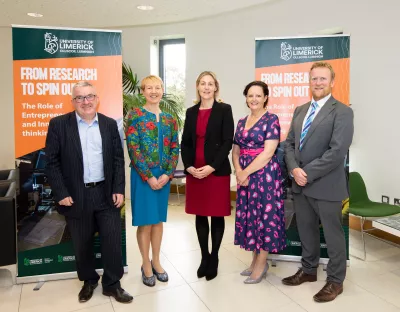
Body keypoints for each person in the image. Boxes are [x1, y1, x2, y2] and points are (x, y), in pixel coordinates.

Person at [45, 81, 133, 303]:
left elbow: (117, 160)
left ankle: (112, 284)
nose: (85, 102)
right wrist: (61, 192)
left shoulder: (110, 124)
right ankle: (89, 281)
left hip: (105, 193)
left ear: (97, 98)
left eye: (89, 96)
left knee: (112, 242)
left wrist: (118, 189)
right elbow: (52, 162)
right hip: (75, 195)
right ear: (73, 101)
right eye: (80, 98)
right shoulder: (58, 125)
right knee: (81, 244)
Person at [282, 61, 354, 303]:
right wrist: (293, 168)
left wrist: (306, 172)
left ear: (332, 82)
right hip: (300, 185)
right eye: (314, 79)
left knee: (333, 236)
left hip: (326, 185)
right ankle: (309, 270)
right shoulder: (300, 110)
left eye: (323, 79)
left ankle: (335, 280)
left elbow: (337, 151)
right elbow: (289, 143)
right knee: (306, 230)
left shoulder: (343, 111)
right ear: (309, 81)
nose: (318, 83)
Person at [125, 75, 179, 287]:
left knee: (157, 221)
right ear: (142, 91)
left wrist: (167, 174)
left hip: (164, 176)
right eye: (149, 88)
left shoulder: (170, 119)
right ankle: (145, 263)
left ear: (162, 90)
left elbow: (175, 147)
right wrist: (148, 177)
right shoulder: (136, 115)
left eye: (157, 87)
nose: (154, 91)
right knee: (145, 222)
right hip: (142, 176)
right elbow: (133, 148)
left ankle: (157, 261)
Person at [181, 71, 234, 281]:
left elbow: (228, 141)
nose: (206, 87)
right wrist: (188, 166)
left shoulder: (224, 109)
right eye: (203, 83)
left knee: (217, 214)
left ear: (216, 87)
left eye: (210, 84)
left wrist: (212, 166)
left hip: (216, 171)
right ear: (197, 86)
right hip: (195, 172)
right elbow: (185, 142)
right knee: (200, 215)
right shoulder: (191, 112)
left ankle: (215, 258)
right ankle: (204, 257)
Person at [232, 80, 286, 284]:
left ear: (265, 98)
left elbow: (268, 152)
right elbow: (235, 150)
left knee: (264, 218)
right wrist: (238, 170)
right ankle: (254, 260)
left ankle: (262, 264)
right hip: (245, 176)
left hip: (264, 176)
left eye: (258, 95)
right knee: (251, 218)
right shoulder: (241, 121)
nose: (254, 99)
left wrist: (244, 172)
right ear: (246, 98)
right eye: (250, 95)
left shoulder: (272, 119)